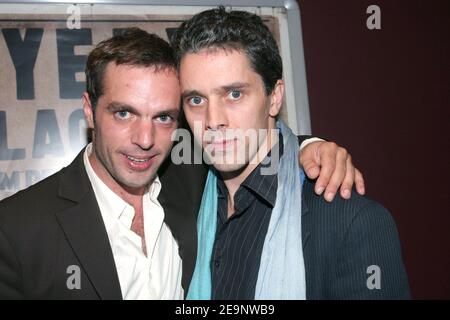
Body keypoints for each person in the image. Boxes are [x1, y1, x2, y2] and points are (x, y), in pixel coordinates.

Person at [0, 28, 363, 299]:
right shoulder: (16, 229)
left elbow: (253, 140)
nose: (145, 139)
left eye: (163, 117)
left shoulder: (191, 178)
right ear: (89, 111)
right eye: (124, 113)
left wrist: (310, 147)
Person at [171, 7, 410, 299]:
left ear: (275, 98)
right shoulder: (178, 200)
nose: (213, 119)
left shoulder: (352, 222)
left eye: (234, 94)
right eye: (196, 99)